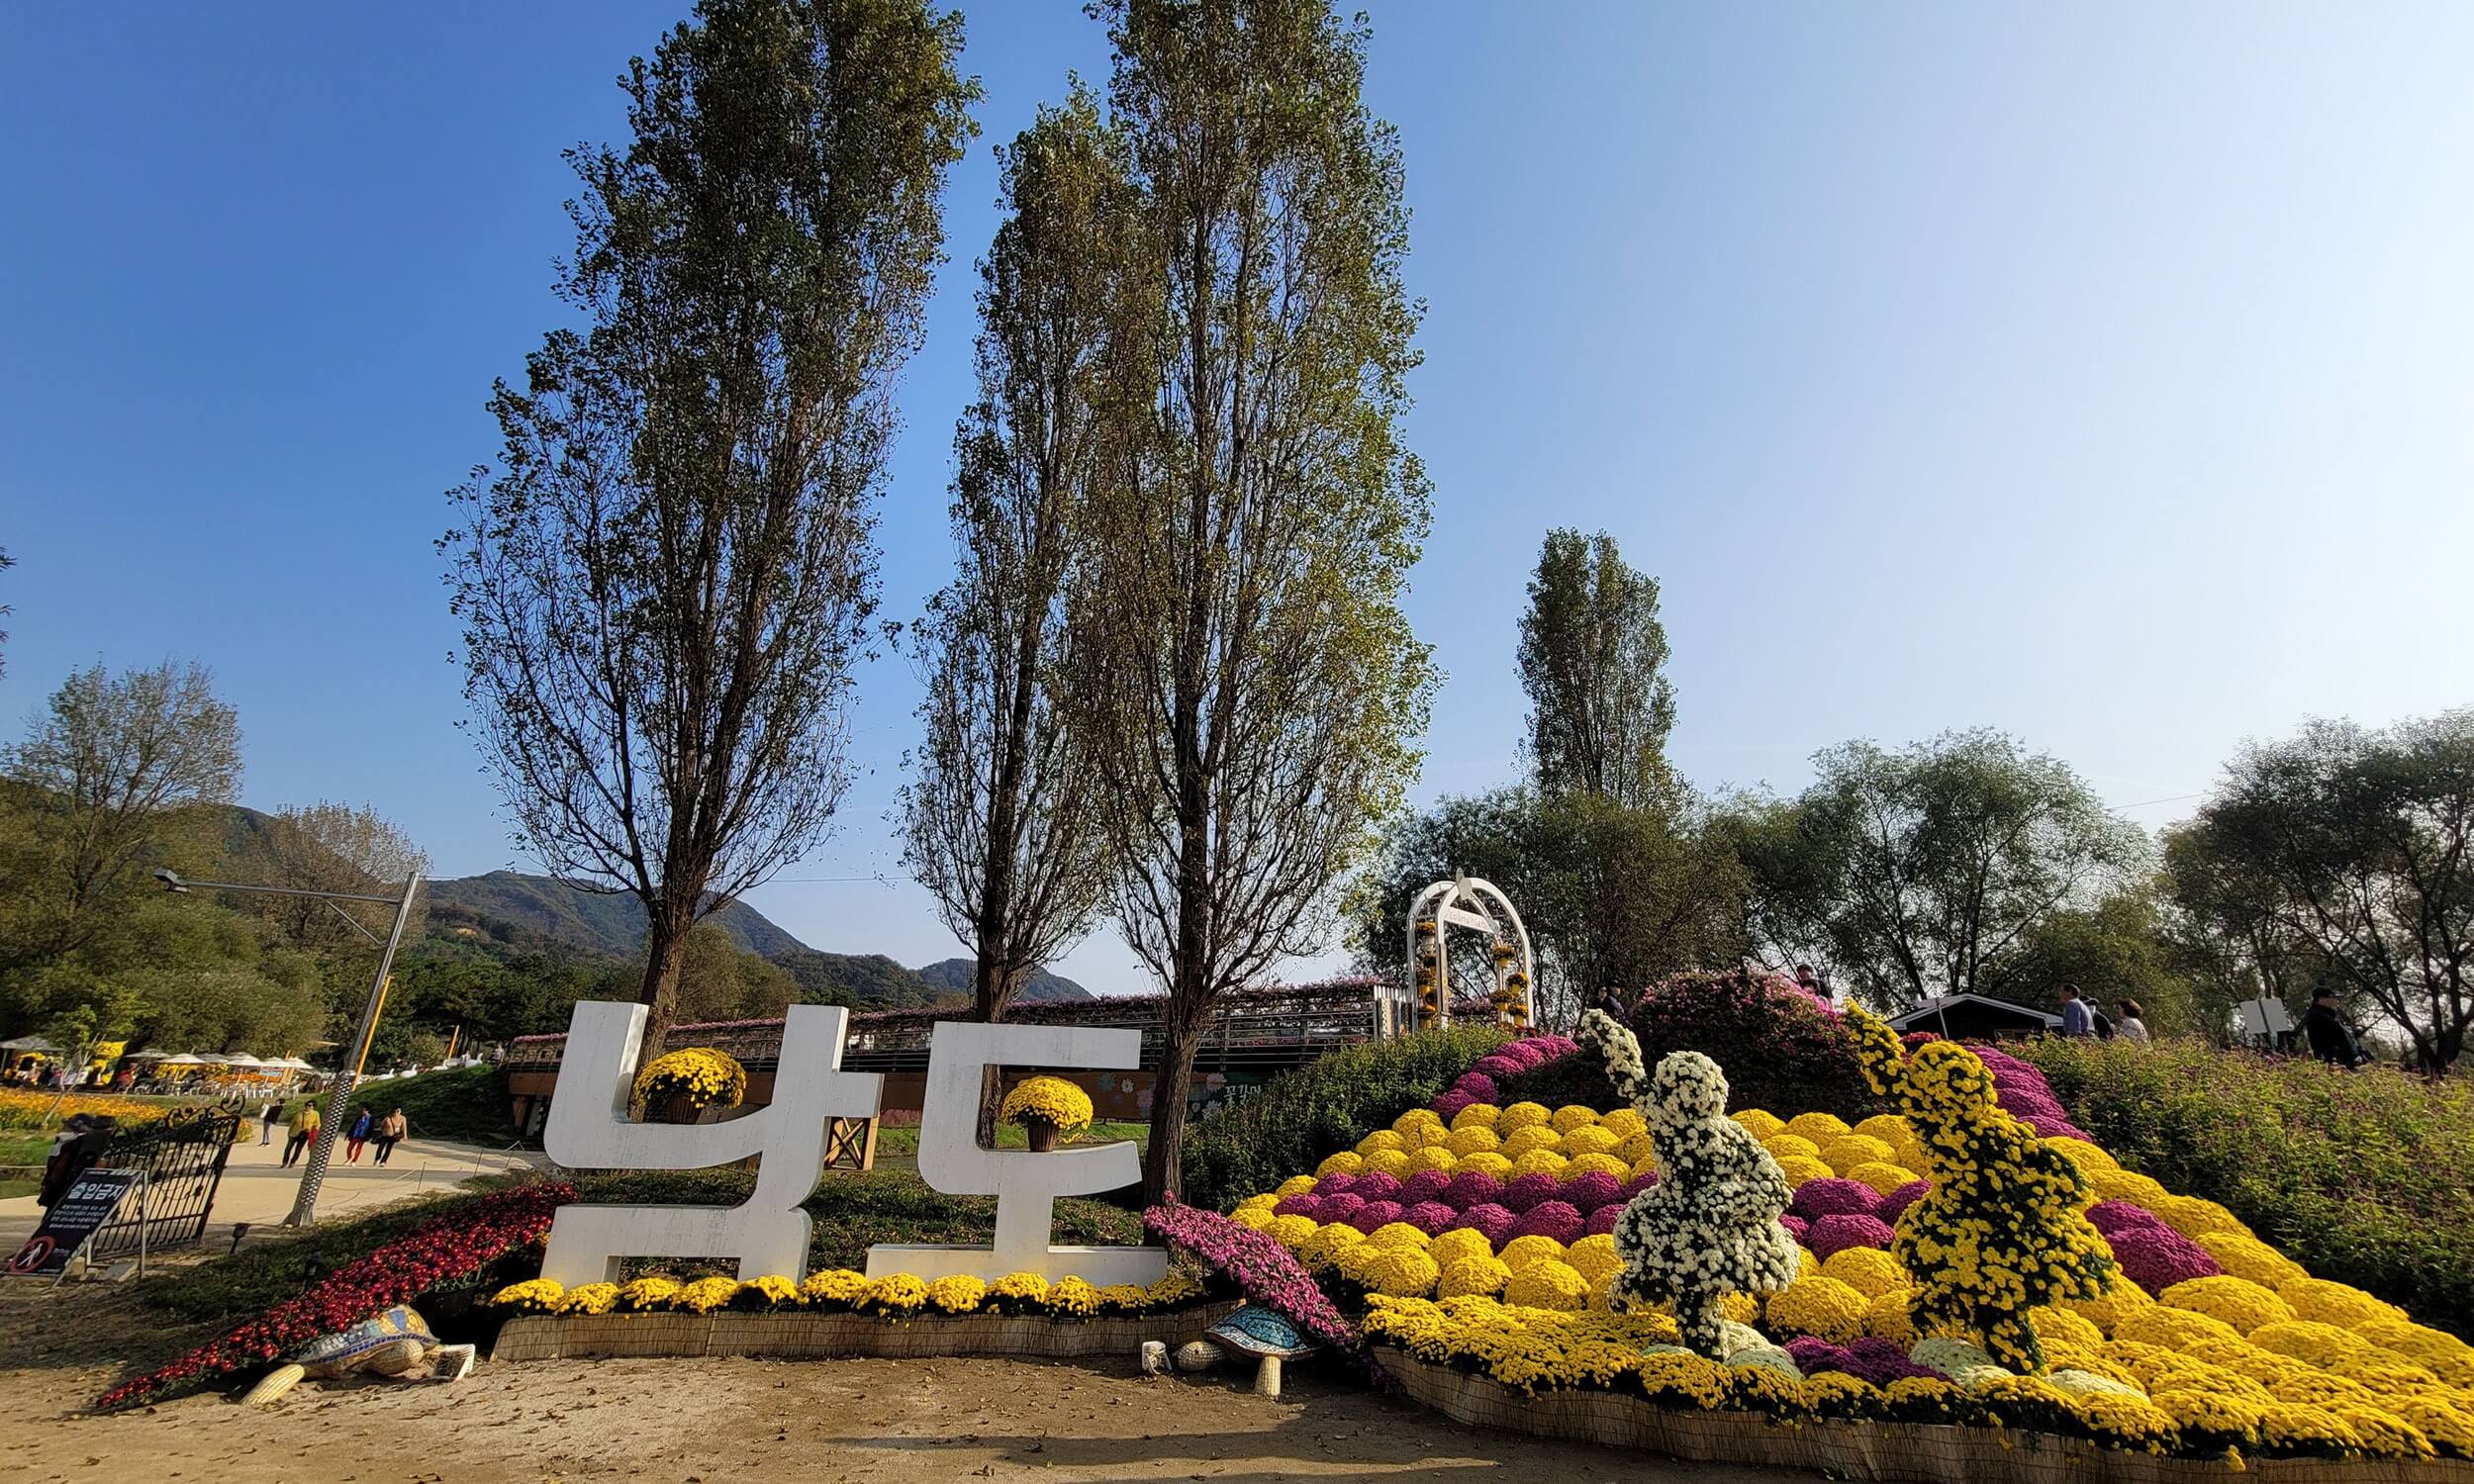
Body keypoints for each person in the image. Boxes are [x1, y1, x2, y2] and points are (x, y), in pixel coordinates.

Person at [2302, 989, 2366, 1068]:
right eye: (2332, 998)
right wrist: (2351, 1058)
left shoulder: (2326, 1015)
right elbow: (2336, 1041)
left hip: (2339, 1062)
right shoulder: (2320, 1017)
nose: (2336, 1001)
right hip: (2336, 1065)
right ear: (2321, 999)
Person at [282, 1100, 321, 1167]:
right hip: (295, 1132)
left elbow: (317, 1124)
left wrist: (313, 1132)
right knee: (288, 1148)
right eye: (306, 1105)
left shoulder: (315, 1114)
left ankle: (292, 1162)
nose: (307, 1107)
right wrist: (289, 1132)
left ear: (313, 1107)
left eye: (310, 1105)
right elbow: (293, 1123)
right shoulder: (299, 1113)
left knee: (298, 1149)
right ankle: (285, 1162)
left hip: (305, 1133)